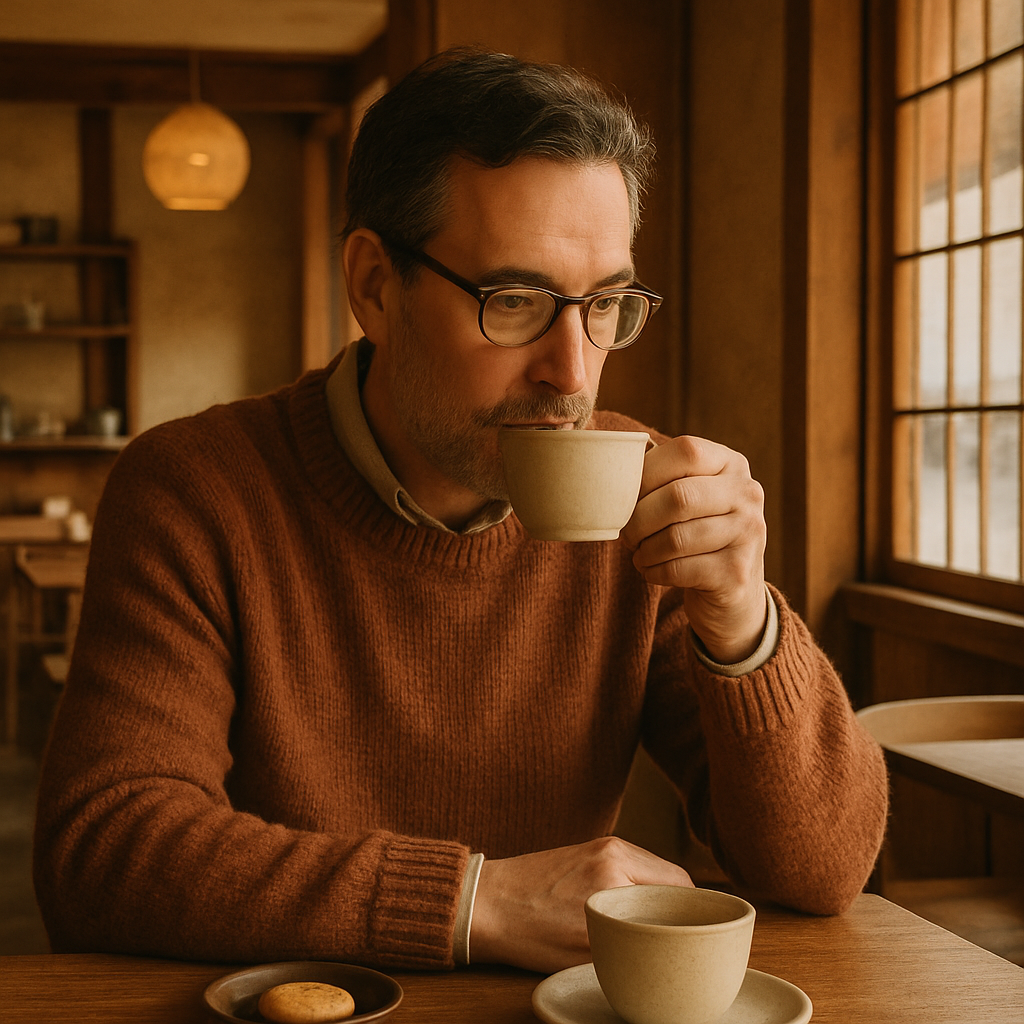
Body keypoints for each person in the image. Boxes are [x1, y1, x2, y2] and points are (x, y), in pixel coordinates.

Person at [33, 47, 888, 974]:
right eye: (515, 301)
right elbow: (103, 849)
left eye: (605, 305)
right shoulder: (196, 491)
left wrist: (745, 628)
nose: (573, 372)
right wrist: (474, 902)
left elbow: (825, 871)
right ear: (373, 286)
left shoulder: (640, 492)